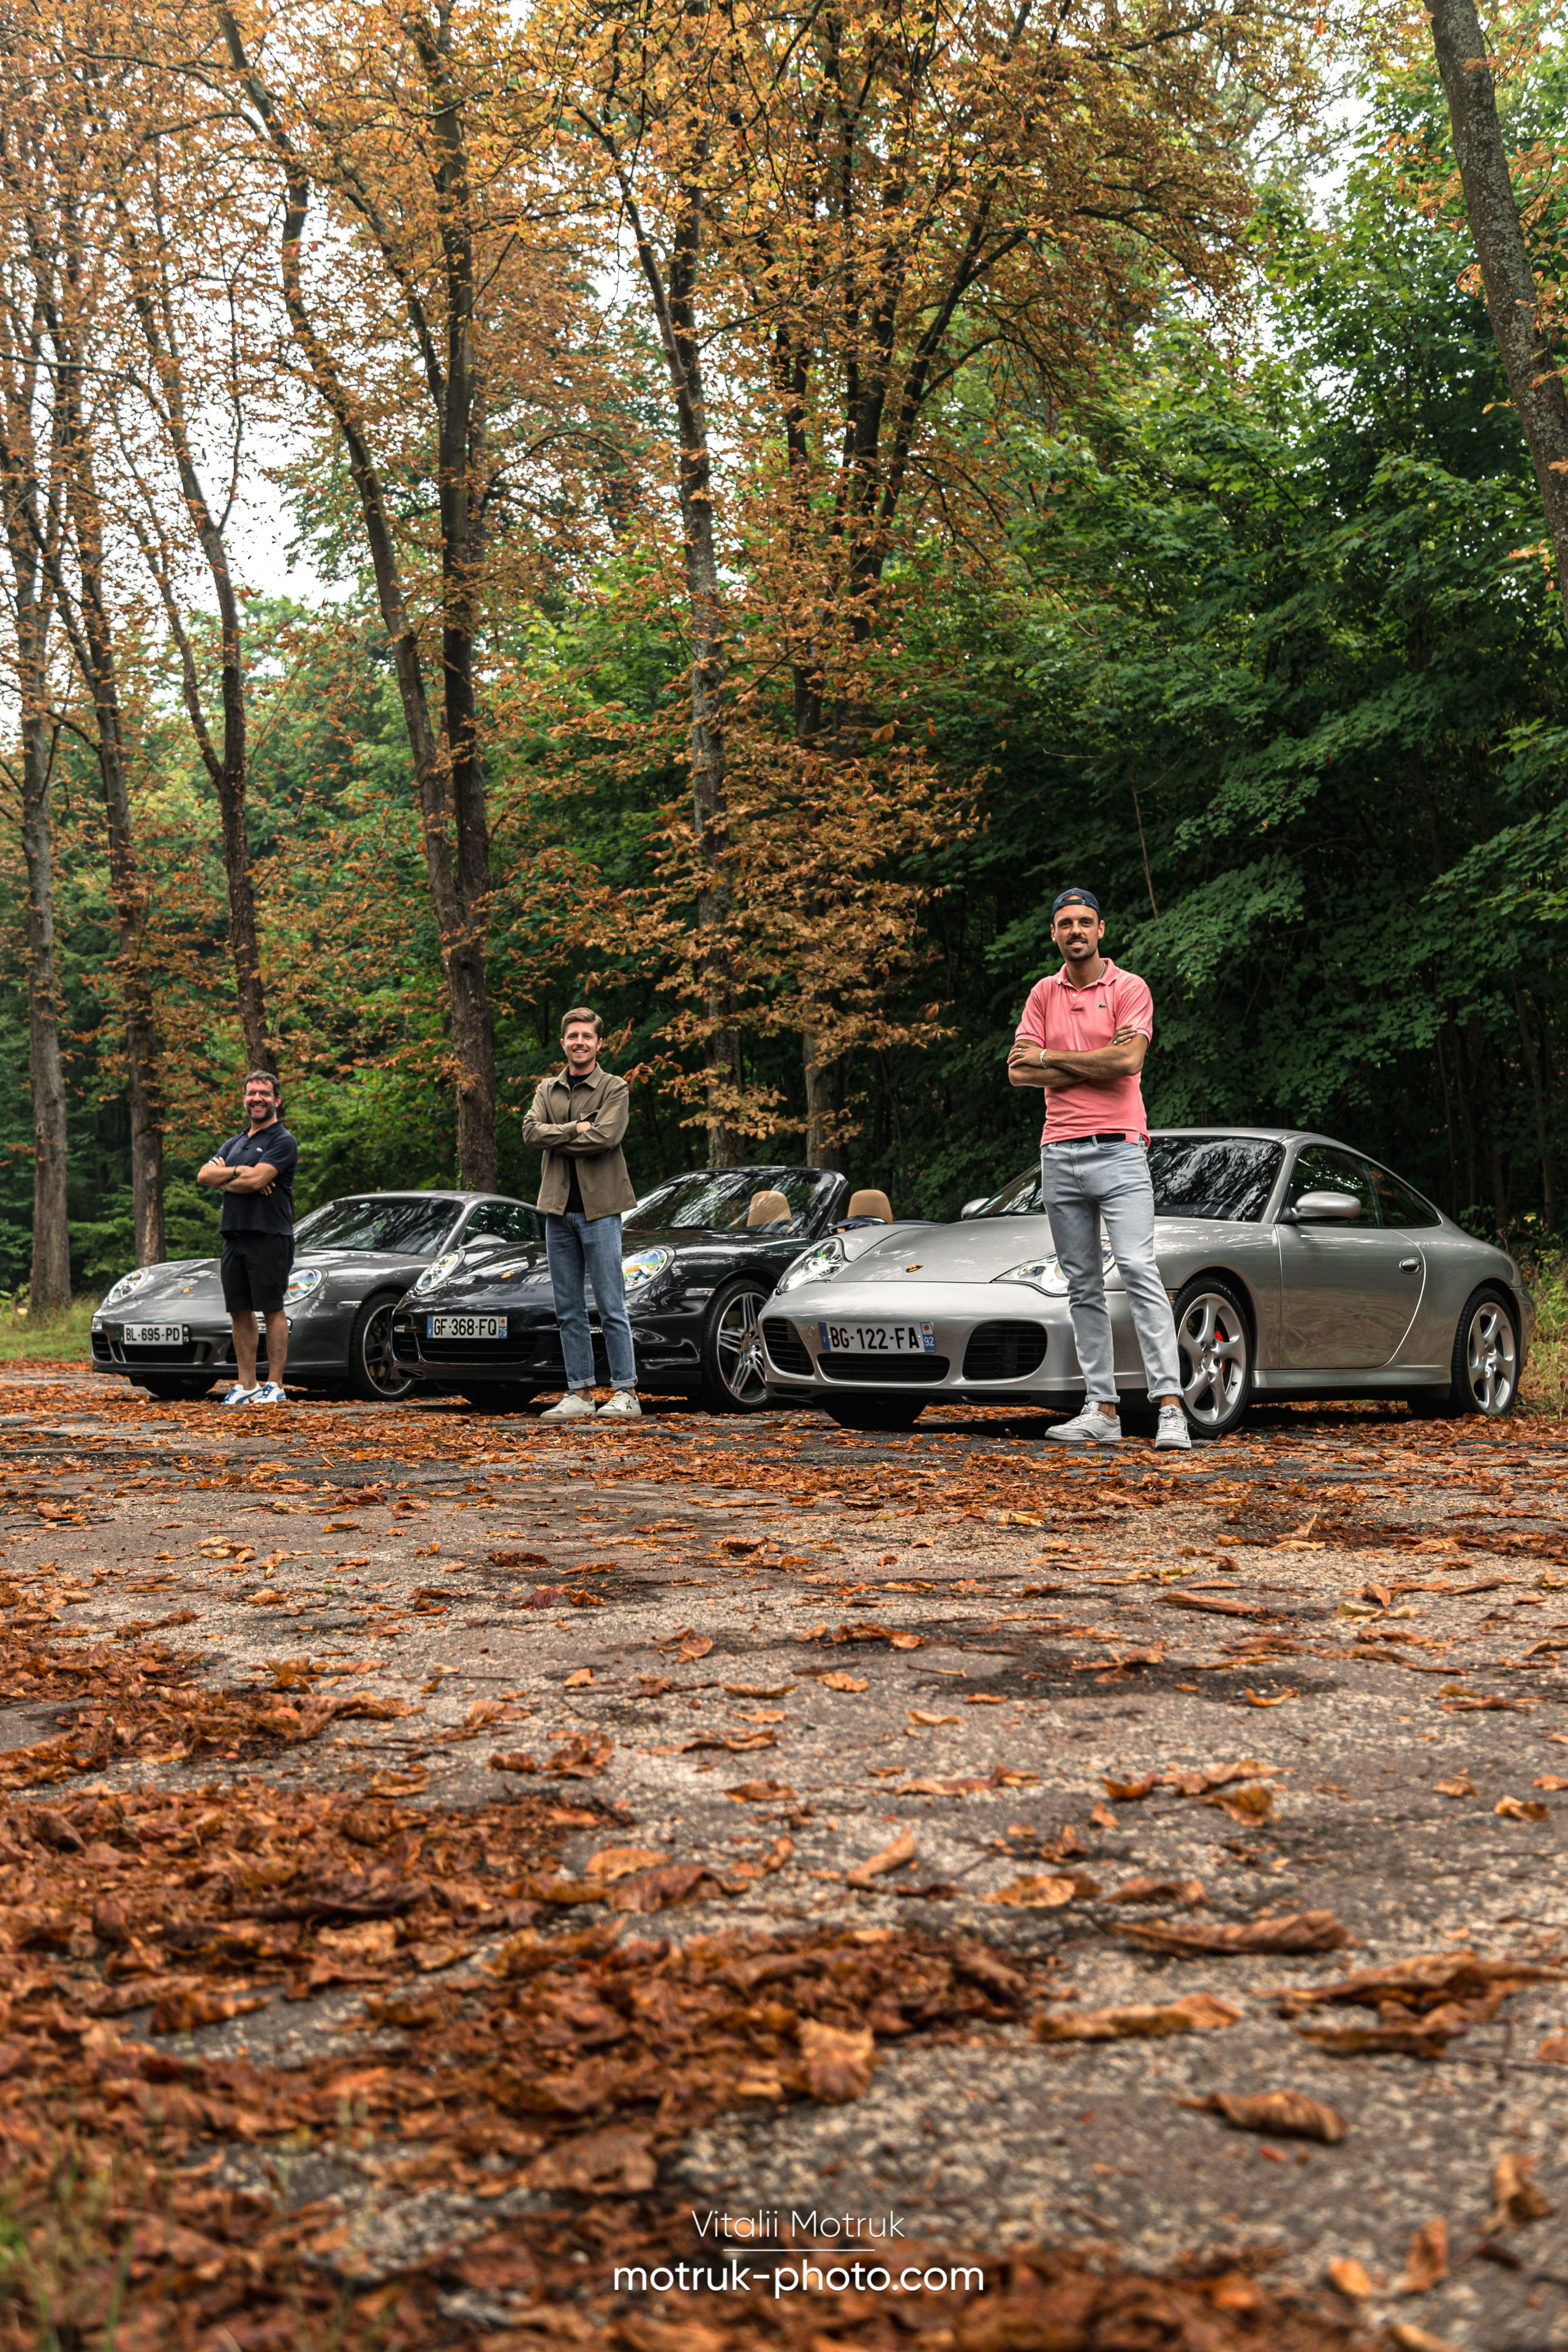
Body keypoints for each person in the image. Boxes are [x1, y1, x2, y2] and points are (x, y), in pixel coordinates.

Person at [1007, 890, 1189, 1450]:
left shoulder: (1129, 988)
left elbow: (1128, 1061)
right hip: (1058, 1153)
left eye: (1085, 921)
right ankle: (1103, 1410)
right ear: (1055, 934)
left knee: (1138, 1269)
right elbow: (1017, 1072)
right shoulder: (1043, 993)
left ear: (1102, 930)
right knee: (1082, 1285)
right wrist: (1090, 1062)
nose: (1076, 931)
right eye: (1066, 923)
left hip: (1120, 1150)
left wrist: (1051, 1059)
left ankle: (1171, 1408)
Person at [523, 1006, 640, 1420]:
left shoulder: (614, 1088)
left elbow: (606, 1138)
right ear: (563, 1043)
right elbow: (529, 1132)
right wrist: (575, 1129)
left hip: (601, 1211)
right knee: (567, 1308)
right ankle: (580, 1393)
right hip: (558, 1211)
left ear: (598, 1043)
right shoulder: (546, 1089)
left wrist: (556, 1137)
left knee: (612, 1305)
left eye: (586, 1037)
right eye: (572, 1036)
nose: (579, 1042)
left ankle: (626, 1392)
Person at [197, 1070, 299, 1408]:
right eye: (252, 1093)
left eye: (264, 1094)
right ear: (244, 1098)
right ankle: (247, 1385)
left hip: (270, 1235)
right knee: (239, 1312)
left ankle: (275, 1384)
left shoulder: (282, 1140)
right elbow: (204, 1175)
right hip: (233, 1236)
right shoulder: (235, 1142)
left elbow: (259, 1182)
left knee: (272, 1309)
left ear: (277, 1100)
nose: (257, 1099)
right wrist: (240, 1173)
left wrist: (228, 1179)